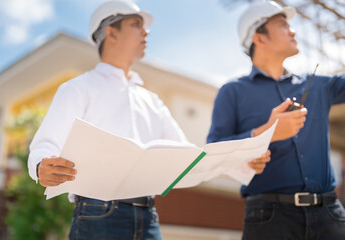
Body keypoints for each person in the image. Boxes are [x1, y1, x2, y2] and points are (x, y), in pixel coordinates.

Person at [28, 0, 270, 239]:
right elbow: (45, 145)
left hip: (148, 217)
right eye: (136, 24)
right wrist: (41, 167)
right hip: (96, 214)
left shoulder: (152, 101)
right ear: (110, 32)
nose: (146, 31)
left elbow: (188, 158)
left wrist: (241, 163)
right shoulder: (78, 88)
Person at [207, 1, 345, 240]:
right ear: (259, 38)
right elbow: (214, 150)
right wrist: (263, 134)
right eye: (283, 24)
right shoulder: (233, 92)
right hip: (269, 218)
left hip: (329, 215)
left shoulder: (321, 85)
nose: (292, 31)